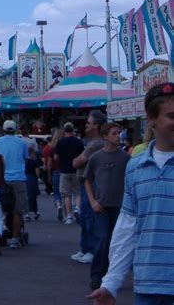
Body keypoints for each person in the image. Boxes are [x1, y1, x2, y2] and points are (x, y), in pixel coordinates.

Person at [88, 82, 174, 304]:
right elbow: (127, 228)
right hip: (148, 285)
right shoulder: (135, 167)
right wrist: (111, 283)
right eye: (172, 116)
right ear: (152, 119)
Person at [84, 123, 130, 291]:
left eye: (119, 133)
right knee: (102, 239)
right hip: (101, 207)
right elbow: (87, 180)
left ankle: (112, 276)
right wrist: (92, 201)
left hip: (120, 207)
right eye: (114, 133)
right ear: (105, 136)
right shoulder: (96, 158)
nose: (118, 136)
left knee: (118, 243)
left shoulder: (125, 158)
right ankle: (97, 275)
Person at [72, 111, 106, 263]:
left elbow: (77, 162)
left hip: (90, 184)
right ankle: (85, 248)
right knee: (85, 217)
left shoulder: (97, 144)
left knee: (89, 217)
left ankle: (90, 249)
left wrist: (78, 160)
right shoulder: (92, 143)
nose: (86, 125)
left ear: (97, 125)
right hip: (85, 182)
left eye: (89, 122)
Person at [0, 120, 29, 249]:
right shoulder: (22, 143)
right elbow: (26, 158)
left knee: (0, 209)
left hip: (2, 178)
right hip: (18, 178)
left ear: (2, 130)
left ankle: (0, 231)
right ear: (15, 130)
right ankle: (14, 239)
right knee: (17, 211)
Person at [54, 122, 84, 225]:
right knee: (78, 192)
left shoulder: (60, 142)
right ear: (73, 130)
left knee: (66, 195)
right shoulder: (79, 142)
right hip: (77, 170)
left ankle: (69, 216)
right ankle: (77, 209)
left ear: (64, 131)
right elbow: (83, 156)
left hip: (64, 171)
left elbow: (56, 157)